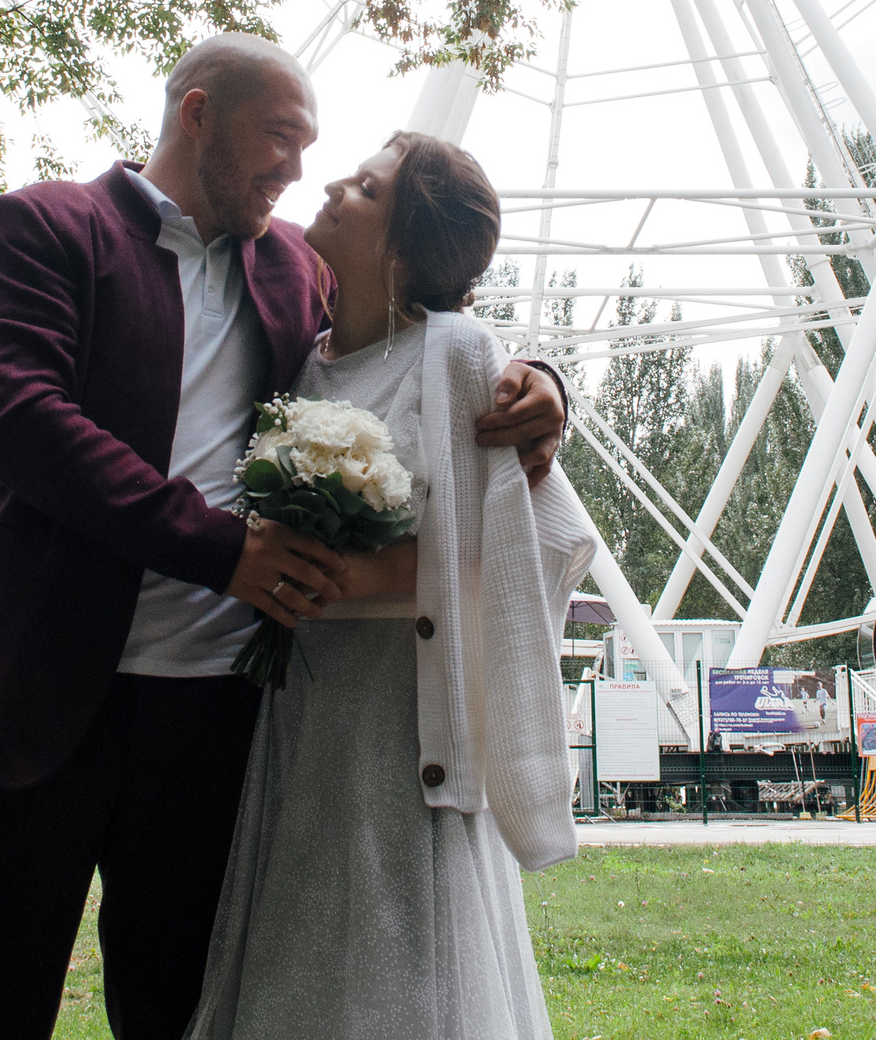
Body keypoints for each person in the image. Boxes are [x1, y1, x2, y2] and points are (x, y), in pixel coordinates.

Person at [0, 35, 569, 1040]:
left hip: (209, 727)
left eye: (313, 151)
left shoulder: (289, 272)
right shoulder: (43, 227)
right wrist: (223, 551)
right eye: (281, 137)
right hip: (24, 699)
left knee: (182, 1015)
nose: (299, 171)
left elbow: (421, 323)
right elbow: (20, 421)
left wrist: (546, 382)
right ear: (198, 112)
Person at [187, 133, 594, 1040]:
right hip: (307, 706)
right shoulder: (308, 362)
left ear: (403, 247)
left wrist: (349, 571)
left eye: (366, 188)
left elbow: (515, 538)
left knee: (401, 946)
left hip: (402, 719)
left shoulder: (455, 351)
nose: (332, 185)